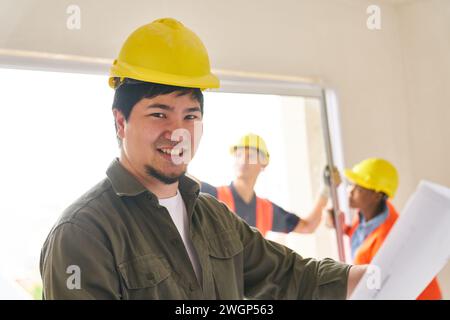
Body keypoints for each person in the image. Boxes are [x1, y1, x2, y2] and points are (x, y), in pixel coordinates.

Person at [40, 17, 365, 299]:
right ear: (120, 122)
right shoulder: (83, 233)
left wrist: (376, 277)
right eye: (159, 114)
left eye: (190, 117)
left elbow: (294, 277)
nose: (178, 132)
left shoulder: (214, 218)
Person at [327, 158, 442, 299]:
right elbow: (363, 238)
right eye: (352, 184)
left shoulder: (387, 240)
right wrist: (341, 227)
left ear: (376, 196)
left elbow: (377, 290)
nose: (350, 191)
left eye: (359, 187)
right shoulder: (369, 213)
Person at [201, 133, 339, 236]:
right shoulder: (212, 195)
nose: (243, 160)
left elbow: (308, 226)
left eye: (251, 156)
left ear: (263, 163)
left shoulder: (266, 210)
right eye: (238, 155)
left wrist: (326, 189)